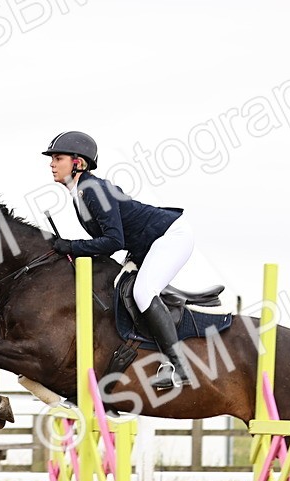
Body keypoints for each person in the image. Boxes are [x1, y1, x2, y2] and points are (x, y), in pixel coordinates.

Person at [43, 130, 194, 390]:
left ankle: (179, 365)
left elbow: (114, 241)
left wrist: (71, 246)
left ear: (77, 162)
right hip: (146, 245)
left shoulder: (92, 189)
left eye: (58, 158)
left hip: (171, 236)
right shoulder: (81, 192)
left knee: (143, 292)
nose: (51, 164)